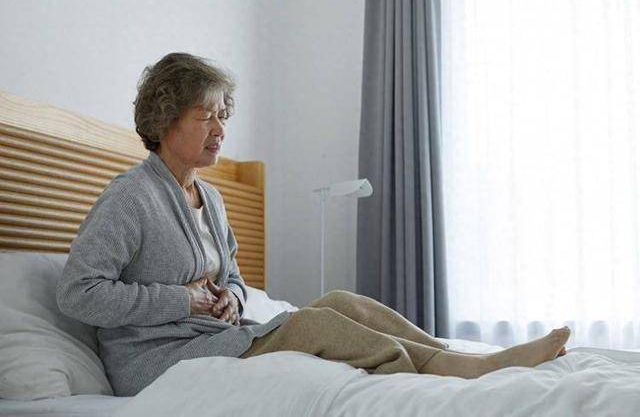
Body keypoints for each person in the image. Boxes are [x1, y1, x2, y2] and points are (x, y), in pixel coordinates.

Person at [56, 52, 570, 397]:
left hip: (213, 336)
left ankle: (449, 353)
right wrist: (182, 301)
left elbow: (231, 276)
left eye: (223, 115)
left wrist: (233, 297)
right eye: (205, 116)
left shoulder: (210, 198)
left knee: (340, 302)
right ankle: (459, 370)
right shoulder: (130, 197)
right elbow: (78, 294)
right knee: (308, 323)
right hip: (156, 361)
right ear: (166, 120)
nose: (220, 129)